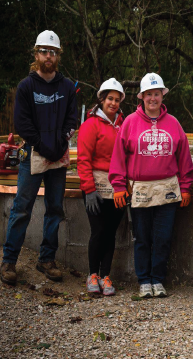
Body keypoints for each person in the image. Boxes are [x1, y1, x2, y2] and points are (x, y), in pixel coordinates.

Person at [0, 30, 77, 285]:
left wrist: (62, 141)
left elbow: (72, 119)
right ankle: (9, 262)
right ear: (37, 54)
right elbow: (22, 122)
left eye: (53, 52)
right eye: (44, 51)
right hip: (32, 155)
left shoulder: (66, 87)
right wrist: (42, 145)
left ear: (58, 56)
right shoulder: (26, 86)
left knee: (54, 209)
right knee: (22, 209)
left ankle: (47, 259)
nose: (48, 56)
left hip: (58, 158)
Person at [109, 73, 193, 298]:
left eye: (157, 94)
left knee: (163, 237)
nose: (153, 98)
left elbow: (184, 157)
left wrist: (186, 187)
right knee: (142, 236)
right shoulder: (129, 123)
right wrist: (118, 185)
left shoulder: (174, 124)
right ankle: (144, 280)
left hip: (167, 188)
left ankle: (158, 279)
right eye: (149, 94)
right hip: (141, 189)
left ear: (162, 95)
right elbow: (118, 156)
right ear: (142, 97)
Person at [77, 78, 125, 296]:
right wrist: (88, 189)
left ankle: (106, 276)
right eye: (110, 99)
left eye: (117, 100)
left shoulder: (124, 126)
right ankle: (92, 274)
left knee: (111, 233)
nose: (113, 103)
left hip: (117, 186)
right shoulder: (90, 125)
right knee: (98, 231)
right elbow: (83, 159)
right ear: (102, 100)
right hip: (95, 186)